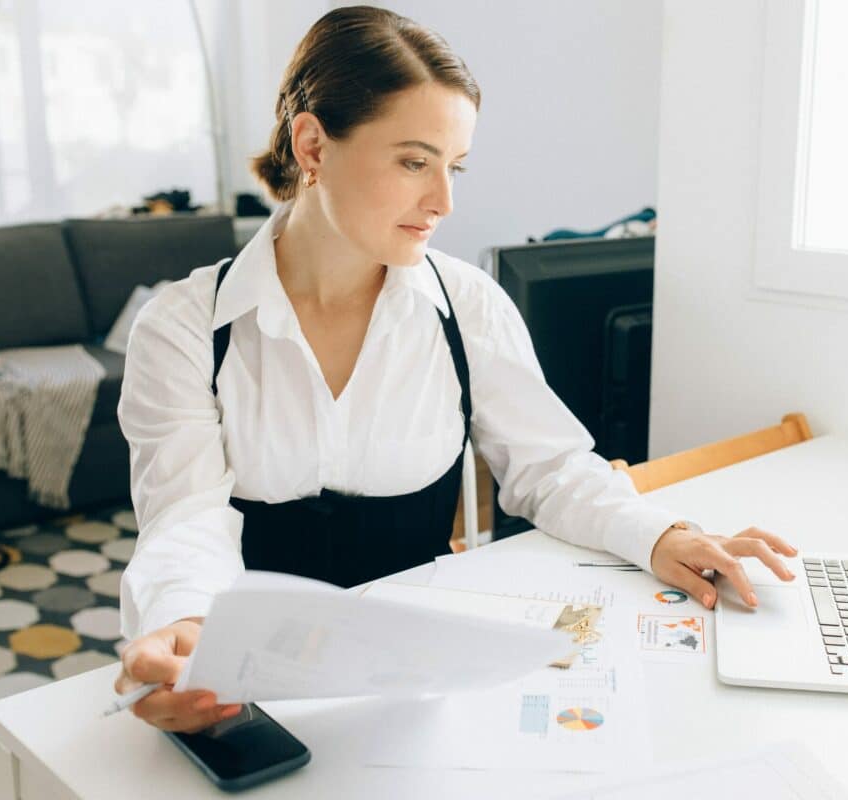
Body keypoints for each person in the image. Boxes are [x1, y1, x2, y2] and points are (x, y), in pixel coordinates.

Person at [114, 6, 798, 733]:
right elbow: (184, 523)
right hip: (249, 685)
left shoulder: (466, 304)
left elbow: (551, 469)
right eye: (414, 161)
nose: (444, 201)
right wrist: (187, 632)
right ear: (312, 145)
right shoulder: (185, 327)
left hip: (413, 683)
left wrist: (659, 534)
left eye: (454, 166)